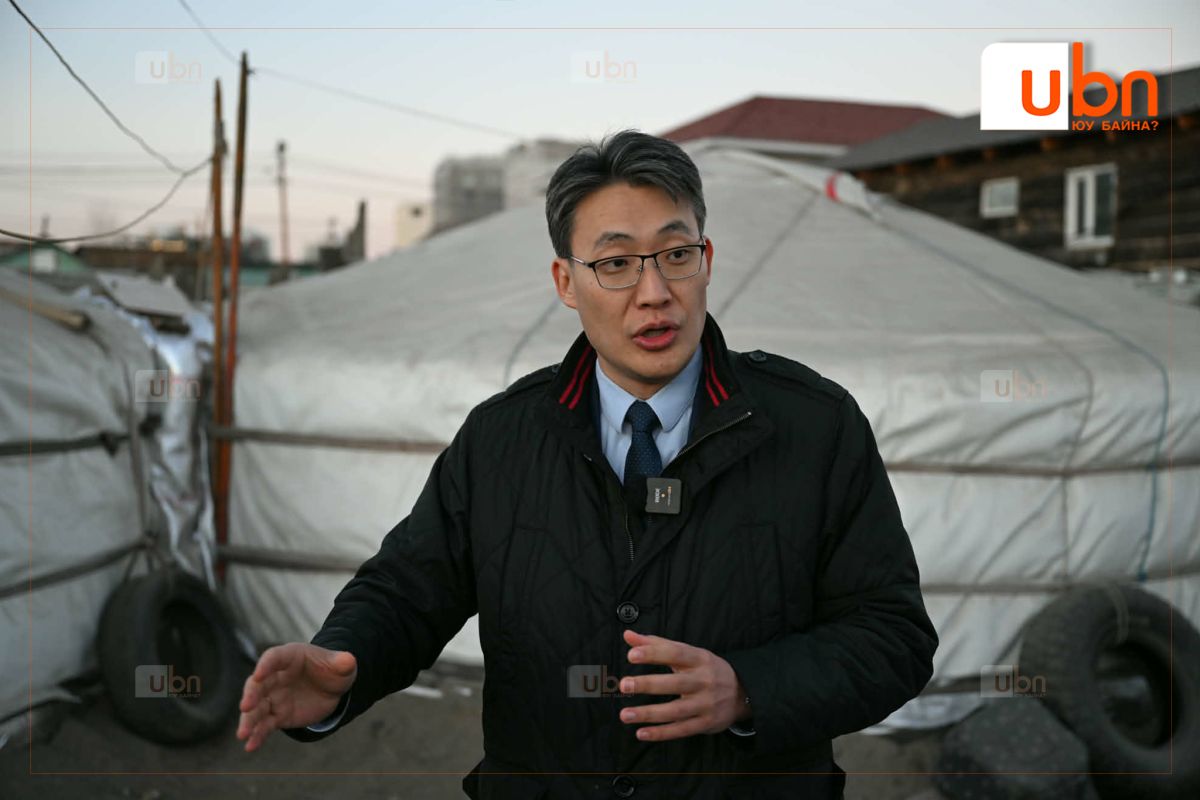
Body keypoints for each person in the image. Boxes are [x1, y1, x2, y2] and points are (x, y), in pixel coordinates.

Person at [236, 129, 938, 799]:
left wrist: (751, 688)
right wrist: (344, 660)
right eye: (616, 263)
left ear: (707, 259)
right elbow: (407, 588)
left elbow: (893, 636)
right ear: (566, 281)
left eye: (676, 254)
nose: (654, 292)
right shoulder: (502, 439)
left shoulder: (814, 428)